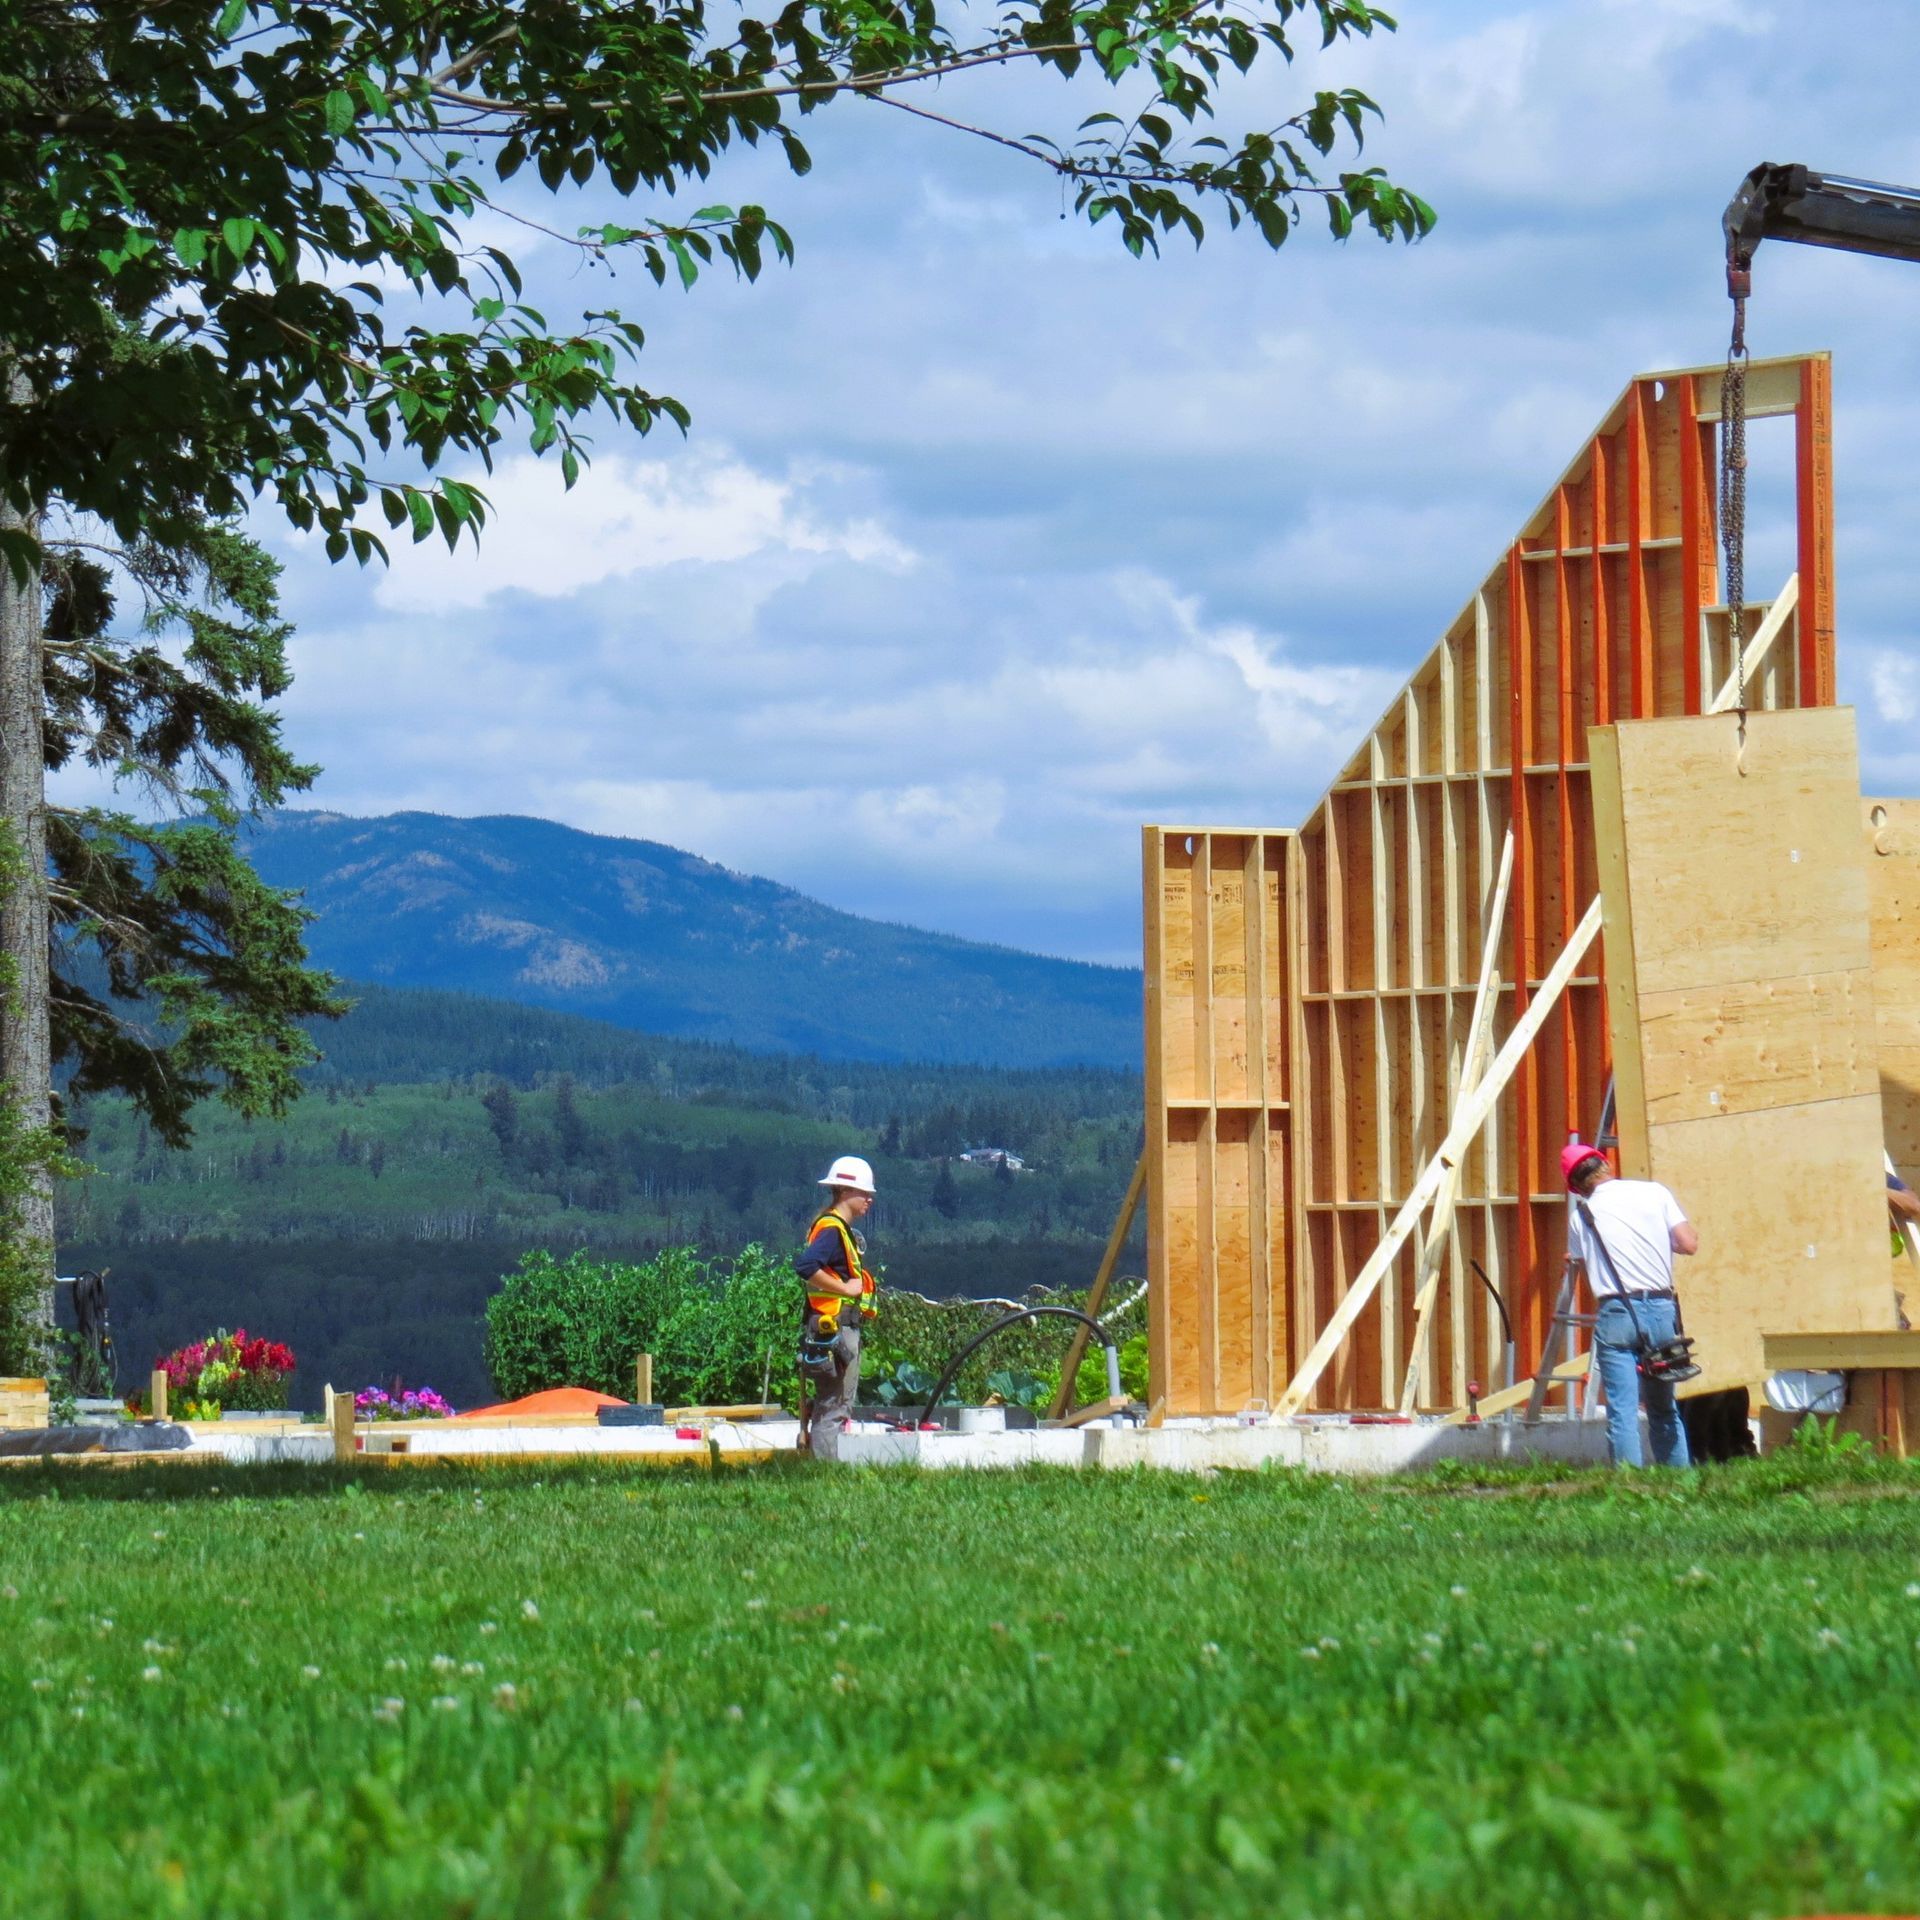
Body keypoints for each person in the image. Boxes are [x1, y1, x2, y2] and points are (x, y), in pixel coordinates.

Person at [1562, 1142, 1698, 1469]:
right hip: (1663, 1311)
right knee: (1664, 1408)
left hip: (1618, 1313)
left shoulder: (1582, 1215)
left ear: (1578, 1186)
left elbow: (1575, 1260)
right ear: (1605, 1164)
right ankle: (1679, 1484)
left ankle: (1629, 1489)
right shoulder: (1655, 1193)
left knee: (1622, 1411)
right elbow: (1688, 1244)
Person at [794, 1154, 879, 1458]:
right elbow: (806, 1266)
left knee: (832, 1403)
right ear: (844, 1191)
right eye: (864, 1193)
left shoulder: (836, 1229)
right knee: (834, 1406)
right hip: (836, 1329)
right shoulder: (832, 1229)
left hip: (834, 1327)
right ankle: (825, 1471)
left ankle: (823, 1465)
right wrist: (844, 1288)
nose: (869, 1199)